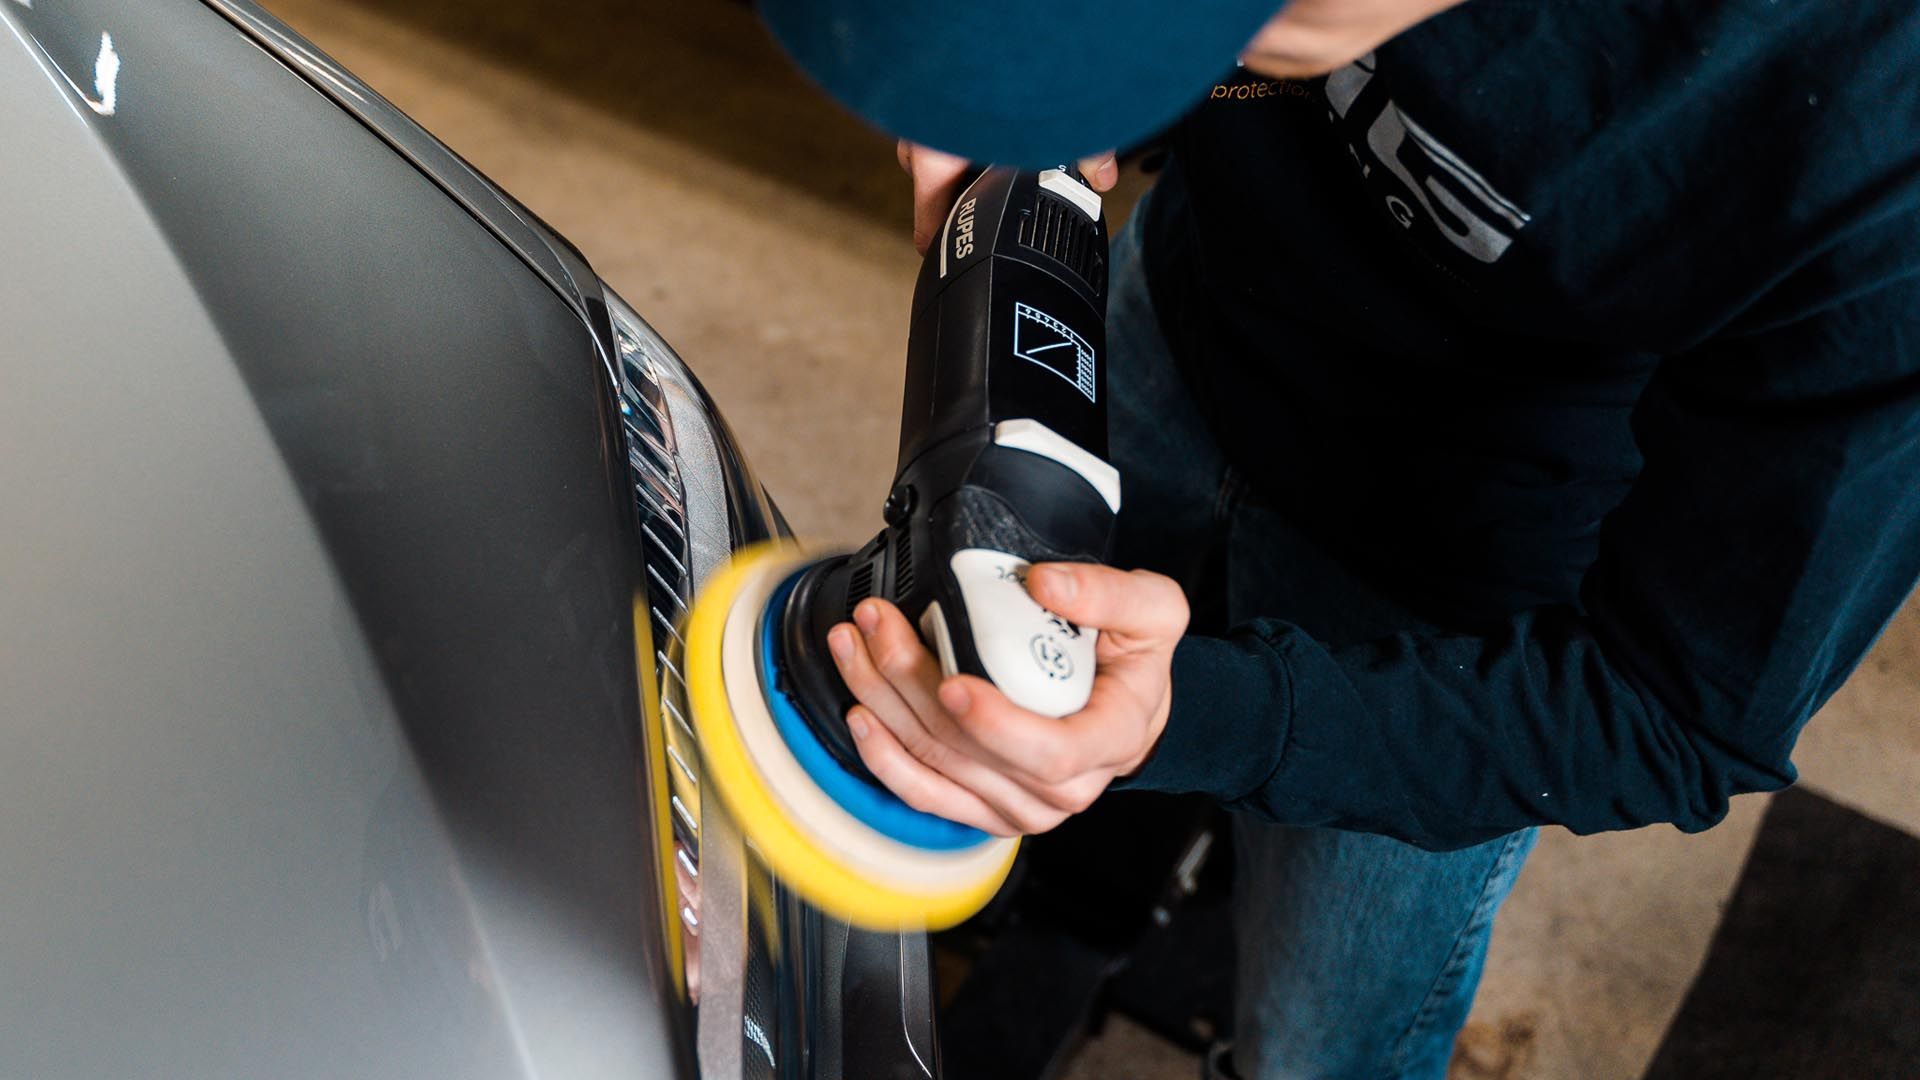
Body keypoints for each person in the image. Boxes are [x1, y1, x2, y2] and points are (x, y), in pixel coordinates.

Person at [755, 0, 1920, 1076]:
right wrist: (1048, 96)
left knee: (1320, 1037)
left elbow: (1679, 713)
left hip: (1470, 584)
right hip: (1186, 307)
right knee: (1033, 717)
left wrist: (1206, 715)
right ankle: (1072, 928)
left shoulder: (1879, 128)